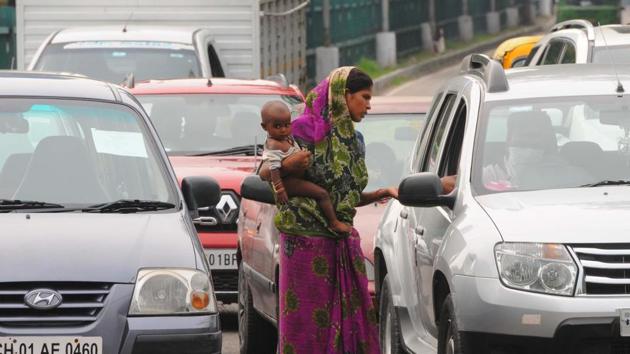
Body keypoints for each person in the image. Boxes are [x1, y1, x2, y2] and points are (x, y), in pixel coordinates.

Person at [259, 67, 396, 353]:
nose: (369, 106)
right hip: (304, 243)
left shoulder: (355, 142)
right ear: (343, 96)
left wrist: (381, 193)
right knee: (306, 328)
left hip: (341, 242)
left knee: (351, 326)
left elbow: (347, 197)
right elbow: (266, 172)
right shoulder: (303, 132)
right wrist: (286, 166)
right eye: (364, 97)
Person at [259, 100, 352, 234]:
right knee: (322, 194)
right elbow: (273, 168)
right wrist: (280, 189)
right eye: (277, 126)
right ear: (264, 127)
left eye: (286, 125)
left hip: (298, 177)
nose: (283, 129)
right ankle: (334, 223)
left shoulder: (286, 138)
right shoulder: (274, 145)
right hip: (289, 183)